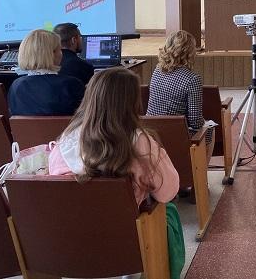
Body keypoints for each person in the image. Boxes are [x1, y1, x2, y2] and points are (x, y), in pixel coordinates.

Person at [48, 68, 183, 278]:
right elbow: (168, 192)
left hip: (68, 246)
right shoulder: (140, 141)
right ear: (132, 103)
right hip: (126, 247)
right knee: (168, 211)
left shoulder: (62, 143)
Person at [147, 30, 214, 158]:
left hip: (152, 132)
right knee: (210, 129)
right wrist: (206, 124)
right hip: (176, 134)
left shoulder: (157, 70)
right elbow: (195, 120)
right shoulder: (192, 79)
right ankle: (199, 175)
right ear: (189, 52)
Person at [8, 29, 85, 115]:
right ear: (52, 54)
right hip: (63, 128)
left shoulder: (16, 85)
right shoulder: (71, 84)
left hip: (25, 129)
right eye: (60, 49)